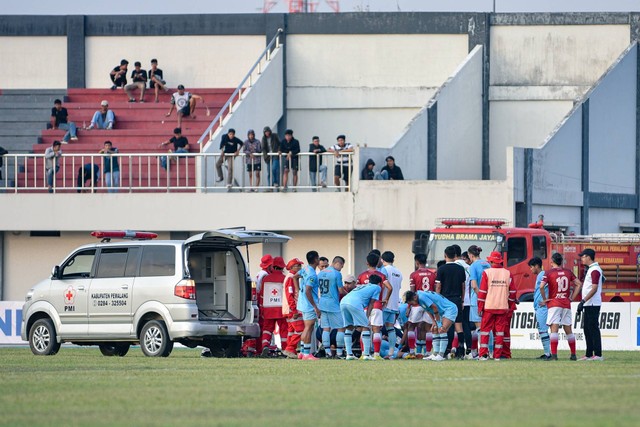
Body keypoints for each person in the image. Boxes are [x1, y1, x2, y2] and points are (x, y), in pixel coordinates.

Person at [541, 252, 581, 361]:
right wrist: (572, 298)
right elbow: (578, 284)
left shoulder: (548, 273)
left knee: (554, 329)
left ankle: (554, 355)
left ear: (552, 261)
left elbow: (541, 286)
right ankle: (573, 355)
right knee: (568, 329)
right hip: (566, 303)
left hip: (554, 303)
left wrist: (545, 299)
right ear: (561, 261)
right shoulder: (568, 272)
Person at [477, 251, 517, 361]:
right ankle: (497, 356)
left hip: (489, 307)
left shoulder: (487, 273)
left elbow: (482, 292)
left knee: (485, 331)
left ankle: (483, 355)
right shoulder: (507, 273)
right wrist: (508, 303)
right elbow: (513, 292)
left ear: (491, 261)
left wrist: (480, 307)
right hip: (502, 307)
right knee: (500, 332)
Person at [405, 290, 459, 361]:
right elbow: (428, 309)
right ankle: (435, 353)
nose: (412, 305)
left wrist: (438, 322)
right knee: (434, 330)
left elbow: (434, 307)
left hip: (449, 309)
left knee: (442, 329)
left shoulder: (421, 297)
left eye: (411, 303)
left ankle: (441, 355)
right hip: (441, 312)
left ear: (414, 298)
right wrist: (434, 322)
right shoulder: (418, 298)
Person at [357, 252, 392, 359]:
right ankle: (376, 354)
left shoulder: (361, 276)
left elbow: (358, 290)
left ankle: (364, 354)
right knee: (376, 330)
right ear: (378, 263)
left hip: (365, 306)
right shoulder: (381, 275)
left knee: (365, 329)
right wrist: (385, 299)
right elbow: (390, 288)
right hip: (377, 305)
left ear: (367, 263)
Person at [435, 245, 466, 359]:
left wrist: (437, 300)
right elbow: (463, 286)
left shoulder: (442, 269)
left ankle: (446, 350)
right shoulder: (460, 269)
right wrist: (462, 300)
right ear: (455, 256)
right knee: (459, 327)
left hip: (445, 300)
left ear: (445, 255)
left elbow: (438, 286)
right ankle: (461, 350)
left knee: (446, 326)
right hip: (457, 299)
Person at [340, 280, 382, 361]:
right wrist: (367, 316)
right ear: (379, 283)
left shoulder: (363, 286)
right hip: (354, 303)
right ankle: (366, 354)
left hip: (343, 302)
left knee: (349, 327)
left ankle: (349, 354)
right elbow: (371, 303)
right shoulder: (377, 287)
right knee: (366, 326)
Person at [577, 248, 604, 361]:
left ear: (588, 257)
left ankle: (598, 354)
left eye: (583, 256)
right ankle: (589, 354)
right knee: (587, 329)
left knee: (593, 328)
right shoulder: (591, 269)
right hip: (589, 303)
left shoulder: (595, 270)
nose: (582, 259)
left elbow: (594, 288)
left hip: (592, 303)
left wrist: (583, 301)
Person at [258, 256, 287, 357]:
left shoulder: (266, 279)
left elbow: (261, 295)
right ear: (282, 267)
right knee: (284, 330)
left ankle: (265, 345)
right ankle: (284, 349)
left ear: (273, 266)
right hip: (281, 309)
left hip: (268, 309)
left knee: (267, 329)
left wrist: (262, 308)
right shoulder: (284, 279)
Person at [317, 256, 346, 358]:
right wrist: (349, 294)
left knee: (325, 328)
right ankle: (339, 352)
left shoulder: (320, 273)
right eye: (341, 266)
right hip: (333, 304)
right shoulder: (336, 274)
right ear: (338, 263)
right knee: (341, 328)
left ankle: (328, 352)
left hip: (322, 303)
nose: (341, 269)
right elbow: (341, 290)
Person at [408, 253, 436, 357]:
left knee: (411, 326)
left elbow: (412, 291)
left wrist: (409, 306)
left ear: (417, 262)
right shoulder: (433, 274)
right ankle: (428, 352)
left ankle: (412, 352)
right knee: (428, 328)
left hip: (417, 303)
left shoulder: (413, 274)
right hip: (429, 303)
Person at [467, 245, 490, 359]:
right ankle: (490, 351)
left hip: (477, 300)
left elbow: (474, 285)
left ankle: (483, 353)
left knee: (480, 328)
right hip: (490, 299)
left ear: (470, 255)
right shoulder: (487, 264)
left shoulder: (473, 266)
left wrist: (481, 297)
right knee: (487, 327)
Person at [297, 250, 321, 360]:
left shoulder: (305, 269)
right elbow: (308, 290)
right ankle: (306, 354)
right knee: (308, 327)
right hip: (309, 304)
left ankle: (302, 352)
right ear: (316, 259)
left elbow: (295, 277)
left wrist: (298, 291)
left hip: (303, 302)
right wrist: (315, 307)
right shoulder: (312, 274)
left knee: (307, 327)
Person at [380, 251, 402, 356]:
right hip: (394, 304)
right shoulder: (399, 272)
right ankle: (391, 353)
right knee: (390, 328)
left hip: (385, 303)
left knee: (377, 328)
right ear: (393, 260)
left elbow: (382, 285)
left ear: (382, 260)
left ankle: (376, 351)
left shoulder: (383, 270)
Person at [528, 257, 551, 359]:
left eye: (531, 267)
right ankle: (548, 353)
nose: (530, 269)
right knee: (543, 330)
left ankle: (548, 353)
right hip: (540, 307)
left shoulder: (543, 275)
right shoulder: (541, 275)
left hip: (543, 307)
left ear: (537, 266)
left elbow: (549, 287)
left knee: (543, 330)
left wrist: (546, 299)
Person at [282, 258, 305, 359]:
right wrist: (294, 309)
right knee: (300, 329)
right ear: (292, 267)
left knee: (291, 331)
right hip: (292, 309)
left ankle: (290, 351)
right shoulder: (291, 278)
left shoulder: (290, 277)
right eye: (298, 266)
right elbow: (289, 295)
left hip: (288, 309)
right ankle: (290, 349)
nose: (300, 268)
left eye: (300, 265)